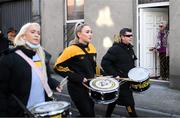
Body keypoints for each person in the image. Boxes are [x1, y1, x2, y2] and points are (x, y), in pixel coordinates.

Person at [0, 22, 62, 117]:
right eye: (33, 32)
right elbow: (2, 91)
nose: (37, 35)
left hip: (42, 109)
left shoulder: (41, 56)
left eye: (38, 33)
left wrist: (54, 83)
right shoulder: (9, 58)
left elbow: (44, 77)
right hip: (21, 111)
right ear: (23, 36)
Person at [54, 22, 101, 117]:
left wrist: (104, 75)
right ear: (79, 34)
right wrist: (78, 78)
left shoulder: (92, 48)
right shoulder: (70, 50)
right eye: (87, 32)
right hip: (77, 89)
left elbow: (94, 66)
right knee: (88, 114)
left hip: (90, 87)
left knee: (89, 113)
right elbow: (58, 67)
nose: (90, 34)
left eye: (91, 32)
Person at [101, 28, 138, 117]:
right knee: (129, 103)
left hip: (128, 80)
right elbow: (104, 63)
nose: (130, 37)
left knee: (113, 100)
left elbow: (131, 63)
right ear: (122, 37)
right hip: (120, 82)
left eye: (131, 35)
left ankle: (107, 116)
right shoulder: (115, 49)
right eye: (128, 36)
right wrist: (115, 74)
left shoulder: (129, 48)